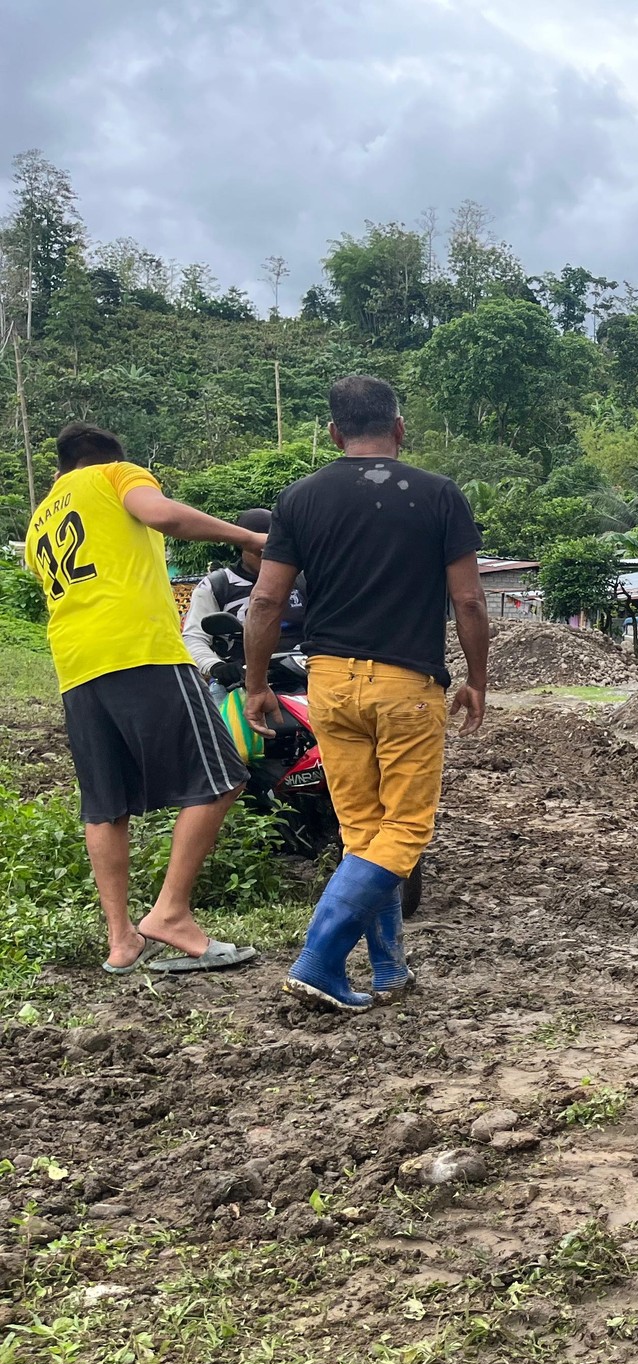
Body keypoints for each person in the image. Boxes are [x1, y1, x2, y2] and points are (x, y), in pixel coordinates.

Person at [244, 375, 489, 1012]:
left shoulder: (298, 499)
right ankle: (319, 959)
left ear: (334, 433)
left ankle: (389, 970)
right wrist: (477, 679)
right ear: (400, 429)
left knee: (364, 834)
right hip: (406, 685)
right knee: (404, 830)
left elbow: (266, 600)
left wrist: (256, 683)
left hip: (328, 681)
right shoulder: (438, 495)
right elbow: (468, 599)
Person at [22, 423, 268, 974]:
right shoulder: (115, 475)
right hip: (141, 651)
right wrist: (251, 538)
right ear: (111, 457)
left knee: (106, 805)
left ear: (60, 470)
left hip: (76, 667)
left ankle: (122, 940)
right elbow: (161, 515)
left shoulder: (39, 520)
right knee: (225, 775)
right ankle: (170, 913)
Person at [181, 509, 309, 699]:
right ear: (242, 546)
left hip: (303, 680)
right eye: (260, 551)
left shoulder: (302, 580)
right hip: (238, 685)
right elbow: (194, 637)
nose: (269, 556)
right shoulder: (217, 585)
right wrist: (217, 666)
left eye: (276, 549)